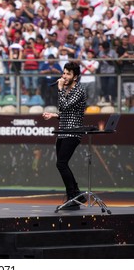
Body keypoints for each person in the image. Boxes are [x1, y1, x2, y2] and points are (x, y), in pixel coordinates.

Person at [42, 61, 87, 210]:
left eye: (68, 74)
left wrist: (60, 89)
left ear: (75, 77)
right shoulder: (67, 90)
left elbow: (65, 106)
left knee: (61, 163)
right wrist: (54, 115)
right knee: (62, 164)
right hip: (62, 131)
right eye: (64, 73)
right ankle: (76, 195)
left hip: (73, 132)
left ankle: (73, 196)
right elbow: (65, 112)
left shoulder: (79, 90)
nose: (64, 76)